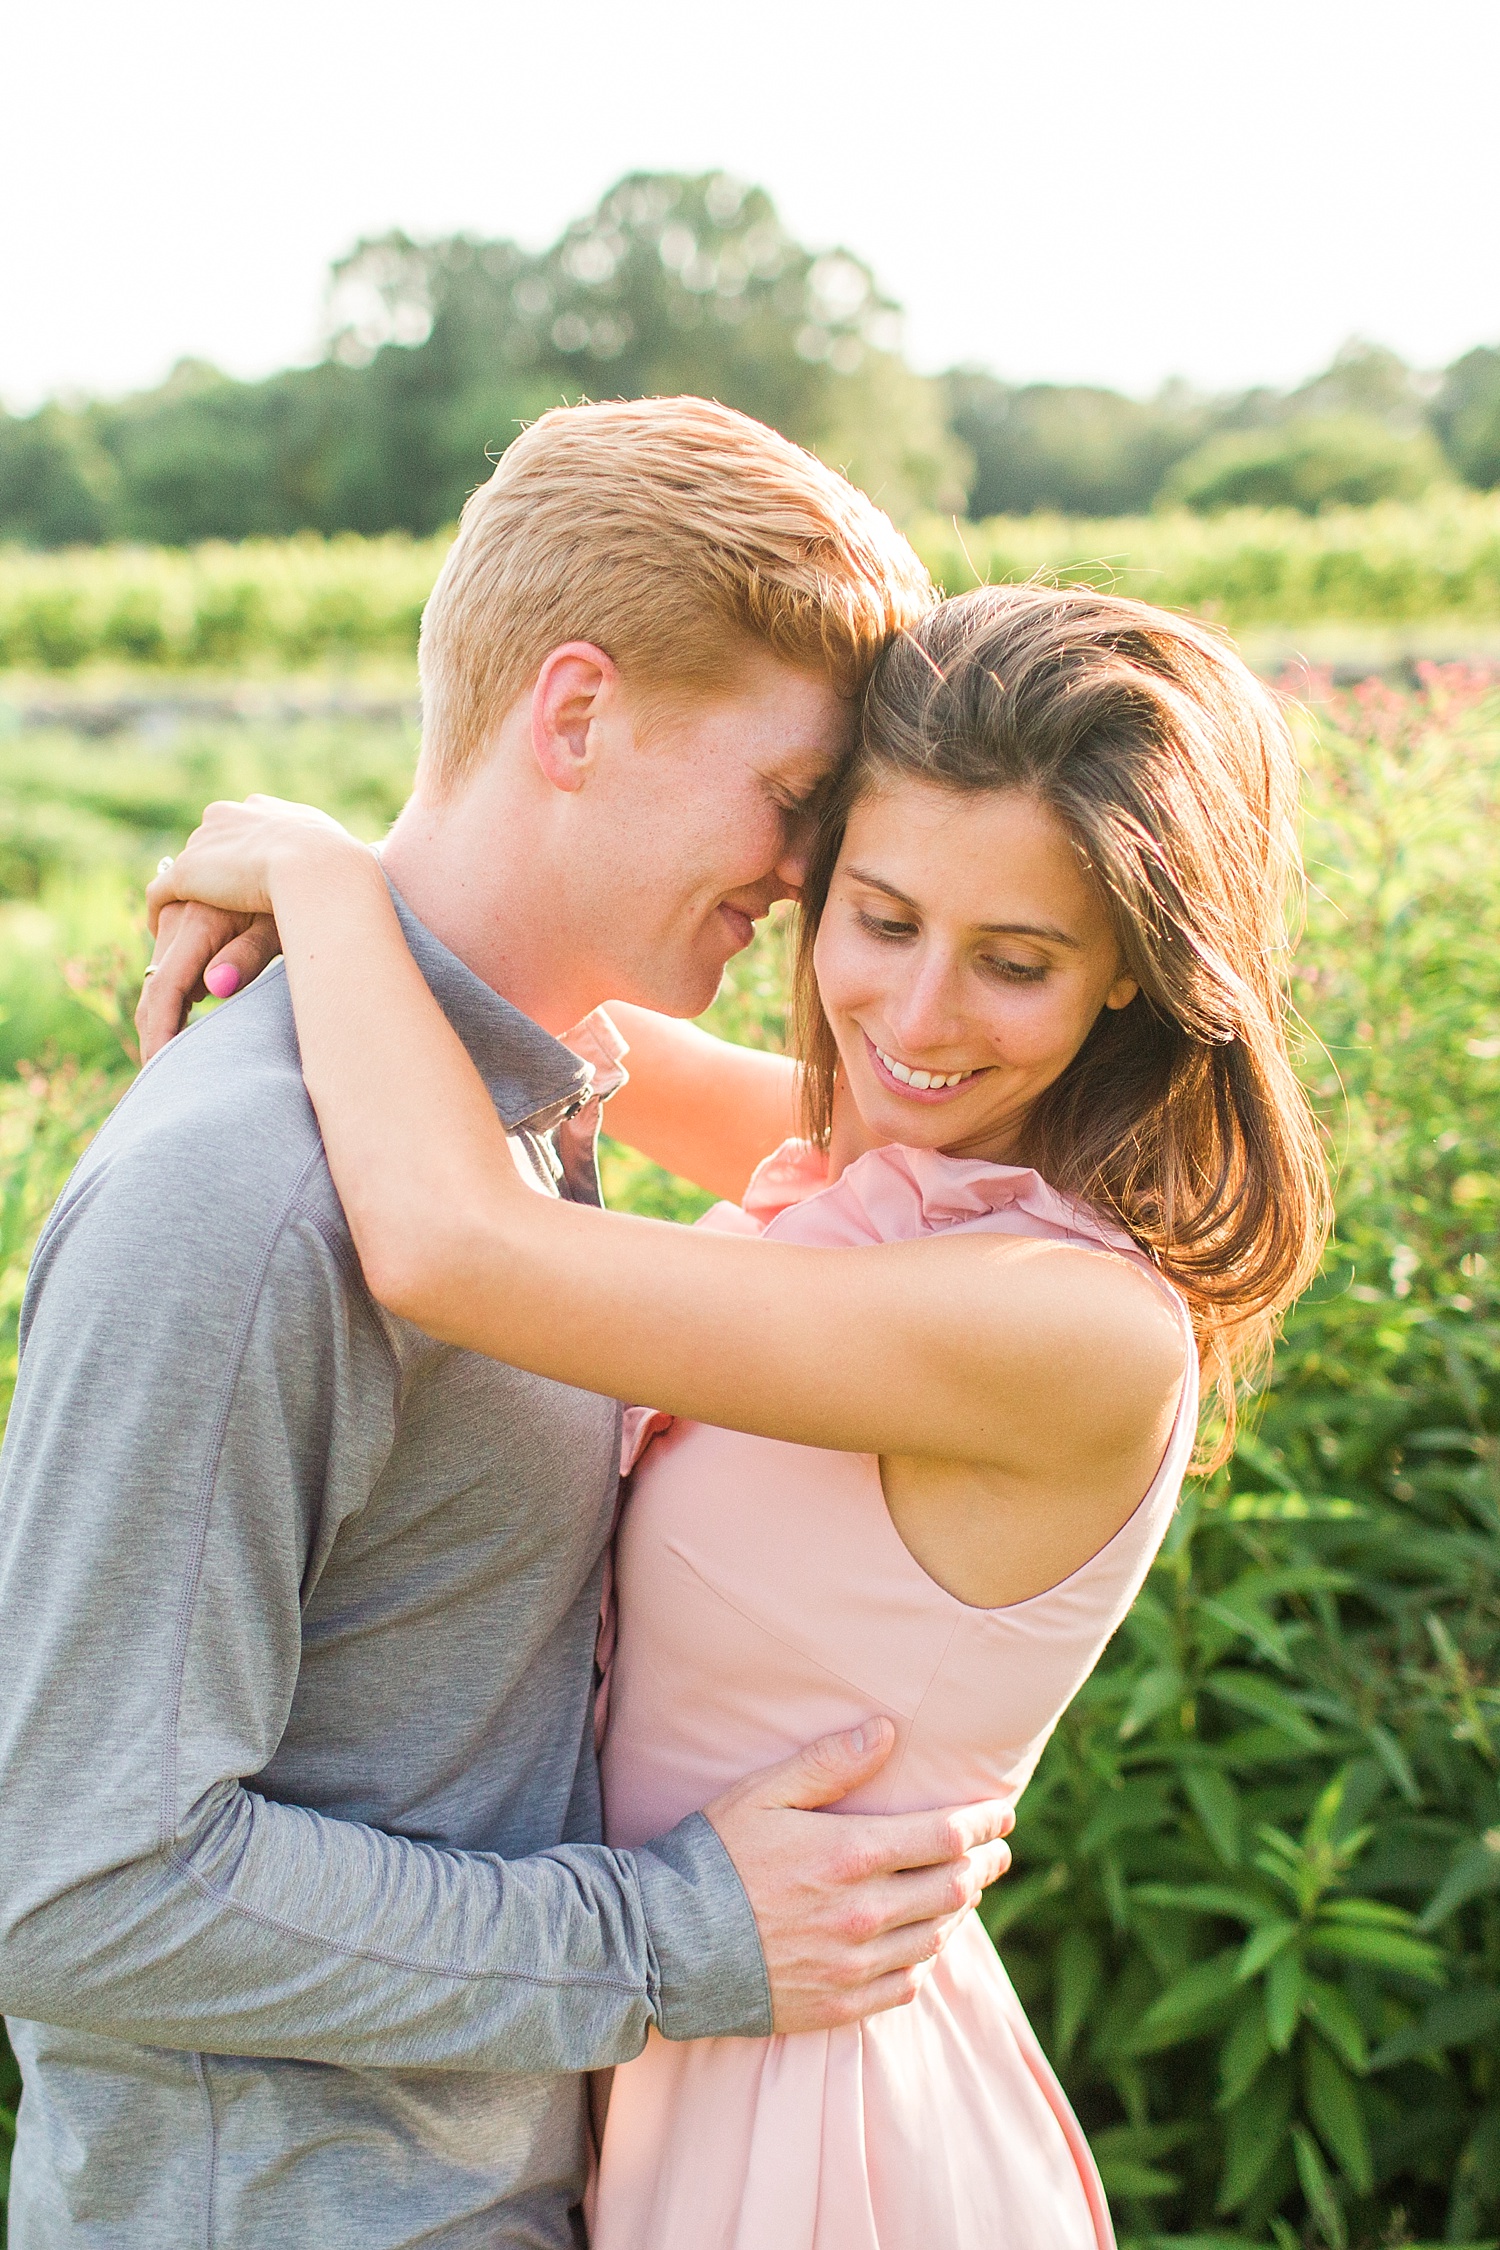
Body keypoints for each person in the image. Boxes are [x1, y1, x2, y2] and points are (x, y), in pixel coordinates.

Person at [142, 583, 1330, 2246]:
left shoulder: (1068, 1325)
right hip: (686, 2025)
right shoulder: (909, 1173)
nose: (918, 1019)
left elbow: (449, 1243)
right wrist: (362, 892)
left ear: (1134, 968)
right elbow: (563, 999)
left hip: (820, 2128)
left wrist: (324, 883)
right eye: (882, 917)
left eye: (1018, 960)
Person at [0, 399, 1021, 2250]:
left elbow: (899, 1155)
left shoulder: (518, 1109)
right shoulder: (253, 1198)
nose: (806, 877)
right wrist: (672, 1938)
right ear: (575, 716)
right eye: (794, 799)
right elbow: (80, 1882)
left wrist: (328, 879)